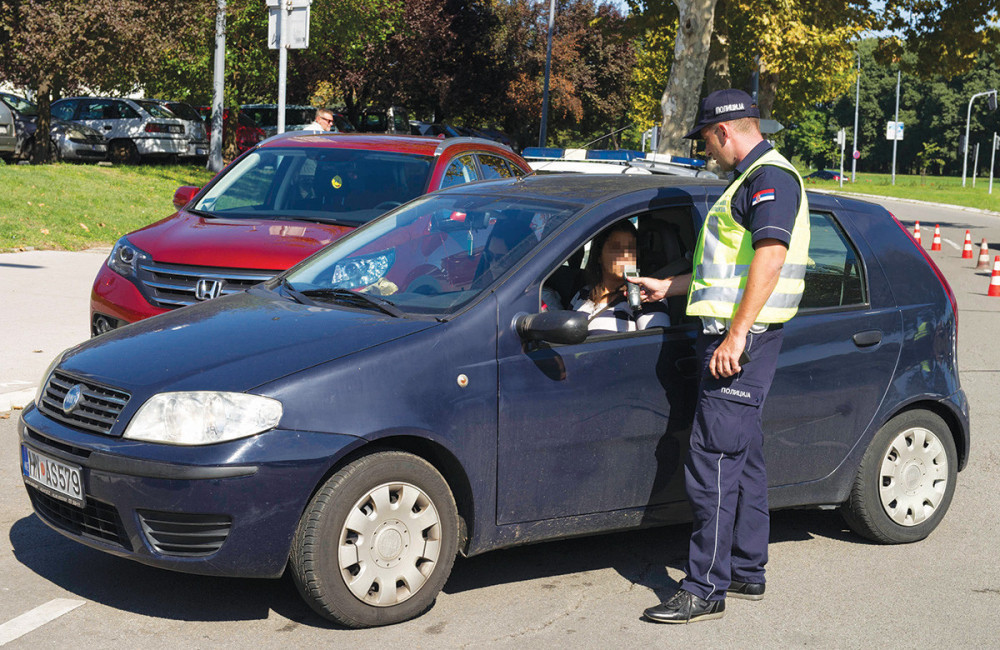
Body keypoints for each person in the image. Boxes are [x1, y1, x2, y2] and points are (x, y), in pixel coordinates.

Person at [633, 89, 810, 624]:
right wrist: (670, 286)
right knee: (743, 454)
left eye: (707, 140)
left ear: (724, 131)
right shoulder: (750, 179)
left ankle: (704, 588)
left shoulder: (769, 179)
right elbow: (727, 269)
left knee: (711, 459)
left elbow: (770, 259)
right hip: (739, 337)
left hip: (740, 343)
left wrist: (736, 337)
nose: (706, 150)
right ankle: (746, 568)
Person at [570, 220, 670, 332]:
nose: (626, 255)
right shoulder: (583, 293)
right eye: (616, 248)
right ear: (599, 256)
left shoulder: (646, 295)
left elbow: (656, 339)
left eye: (630, 248)